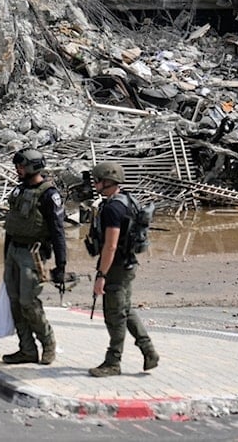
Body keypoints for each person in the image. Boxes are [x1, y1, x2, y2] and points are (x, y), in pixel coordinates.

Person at [86, 161, 159, 377]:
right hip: (127, 263)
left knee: (115, 315)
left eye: (97, 180)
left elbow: (111, 245)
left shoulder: (112, 208)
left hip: (116, 266)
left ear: (107, 181)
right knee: (125, 310)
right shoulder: (127, 201)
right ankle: (149, 351)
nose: (95, 184)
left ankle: (113, 362)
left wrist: (101, 275)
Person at [0, 148, 67, 365]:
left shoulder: (49, 194)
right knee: (15, 303)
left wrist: (61, 264)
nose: (17, 170)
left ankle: (48, 344)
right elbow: (12, 225)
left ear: (32, 167)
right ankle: (26, 349)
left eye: (20, 166)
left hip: (34, 254)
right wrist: (6, 256)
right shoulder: (19, 191)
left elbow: (58, 232)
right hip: (14, 252)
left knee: (28, 302)